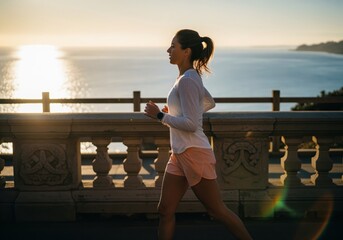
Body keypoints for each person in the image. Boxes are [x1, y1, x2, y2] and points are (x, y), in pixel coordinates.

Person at [144, 29, 253, 240]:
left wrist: (160, 115)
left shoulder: (187, 80)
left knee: (217, 210)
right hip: (180, 153)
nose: (168, 50)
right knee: (165, 210)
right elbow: (208, 103)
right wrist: (175, 114)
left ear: (186, 51)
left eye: (173, 46)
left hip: (194, 153)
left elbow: (192, 124)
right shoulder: (188, 77)